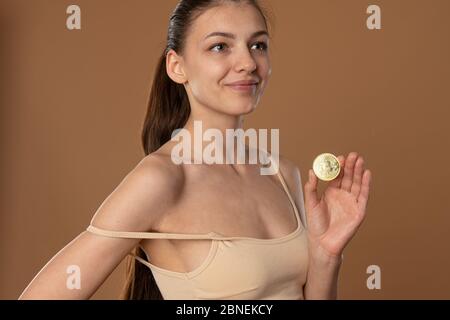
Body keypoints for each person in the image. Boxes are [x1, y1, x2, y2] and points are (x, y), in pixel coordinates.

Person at [19, 0, 371, 300]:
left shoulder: (283, 173)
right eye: (220, 46)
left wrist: (326, 254)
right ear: (178, 66)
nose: (248, 62)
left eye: (258, 45)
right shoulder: (162, 179)